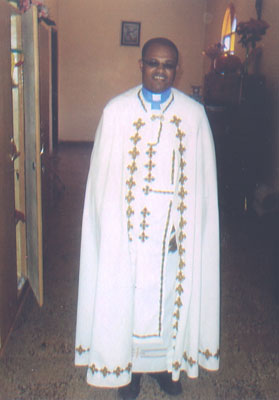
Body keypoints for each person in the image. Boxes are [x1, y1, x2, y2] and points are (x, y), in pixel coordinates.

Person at [75, 37, 220, 399]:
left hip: (173, 238)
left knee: (171, 296)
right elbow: (101, 183)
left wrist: (186, 230)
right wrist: (114, 228)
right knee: (125, 297)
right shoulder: (117, 112)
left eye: (168, 64)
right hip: (127, 233)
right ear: (140, 65)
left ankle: (164, 368)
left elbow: (203, 185)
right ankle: (128, 369)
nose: (160, 70)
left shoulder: (193, 115)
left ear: (177, 68)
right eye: (153, 63)